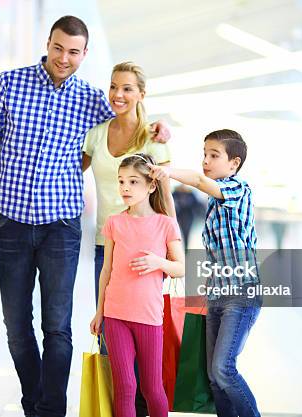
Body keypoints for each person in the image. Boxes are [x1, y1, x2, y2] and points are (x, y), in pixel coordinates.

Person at [0, 16, 169, 417]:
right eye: (58, 48)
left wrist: (159, 127)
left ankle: (50, 410)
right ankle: (33, 401)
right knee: (16, 327)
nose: (63, 58)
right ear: (47, 43)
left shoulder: (91, 99)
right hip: (11, 222)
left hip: (61, 227)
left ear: (84, 54)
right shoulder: (7, 83)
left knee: (58, 327)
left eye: (73, 52)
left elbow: (128, 116)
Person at [82, 61, 174, 416]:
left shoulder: (153, 137)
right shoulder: (96, 134)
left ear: (141, 94)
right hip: (107, 244)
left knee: (145, 343)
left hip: (147, 250)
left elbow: (164, 194)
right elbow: (69, 170)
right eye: (114, 87)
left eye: (127, 89)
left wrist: (171, 242)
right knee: (111, 339)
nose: (118, 95)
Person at [149, 129, 261, 417]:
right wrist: (162, 181)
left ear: (234, 163)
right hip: (216, 296)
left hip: (241, 294)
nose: (206, 161)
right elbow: (175, 215)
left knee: (224, 369)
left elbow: (198, 181)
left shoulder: (238, 189)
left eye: (214, 155)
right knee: (213, 376)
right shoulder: (213, 200)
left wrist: (168, 171)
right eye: (205, 154)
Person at [90, 154, 185, 417]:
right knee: (125, 385)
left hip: (149, 317)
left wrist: (158, 262)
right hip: (115, 315)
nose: (125, 188)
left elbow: (181, 268)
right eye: (121, 182)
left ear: (151, 186)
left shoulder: (166, 224)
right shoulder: (114, 222)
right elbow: (106, 270)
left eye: (133, 182)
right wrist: (100, 312)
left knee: (152, 388)